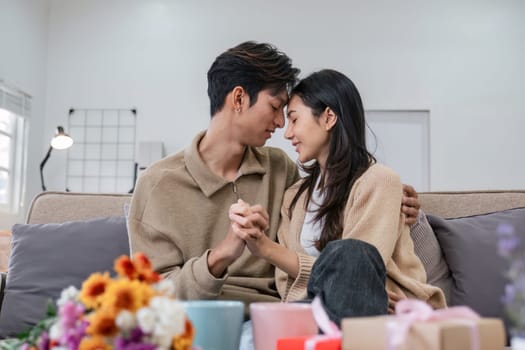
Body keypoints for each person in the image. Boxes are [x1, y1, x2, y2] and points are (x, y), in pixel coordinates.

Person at [128, 42, 421, 308]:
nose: (282, 124)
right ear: (239, 99)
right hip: (199, 315)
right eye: (276, 107)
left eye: (289, 114)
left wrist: (397, 201)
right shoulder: (158, 184)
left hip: (277, 312)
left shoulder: (280, 169)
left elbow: (338, 210)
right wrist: (221, 256)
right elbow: (150, 296)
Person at [229, 69, 446, 324]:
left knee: (350, 255)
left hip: (386, 313)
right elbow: (286, 283)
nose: (287, 134)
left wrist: (266, 248)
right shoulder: (294, 197)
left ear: (329, 117)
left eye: (295, 120)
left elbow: (358, 271)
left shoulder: (379, 180)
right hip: (315, 311)